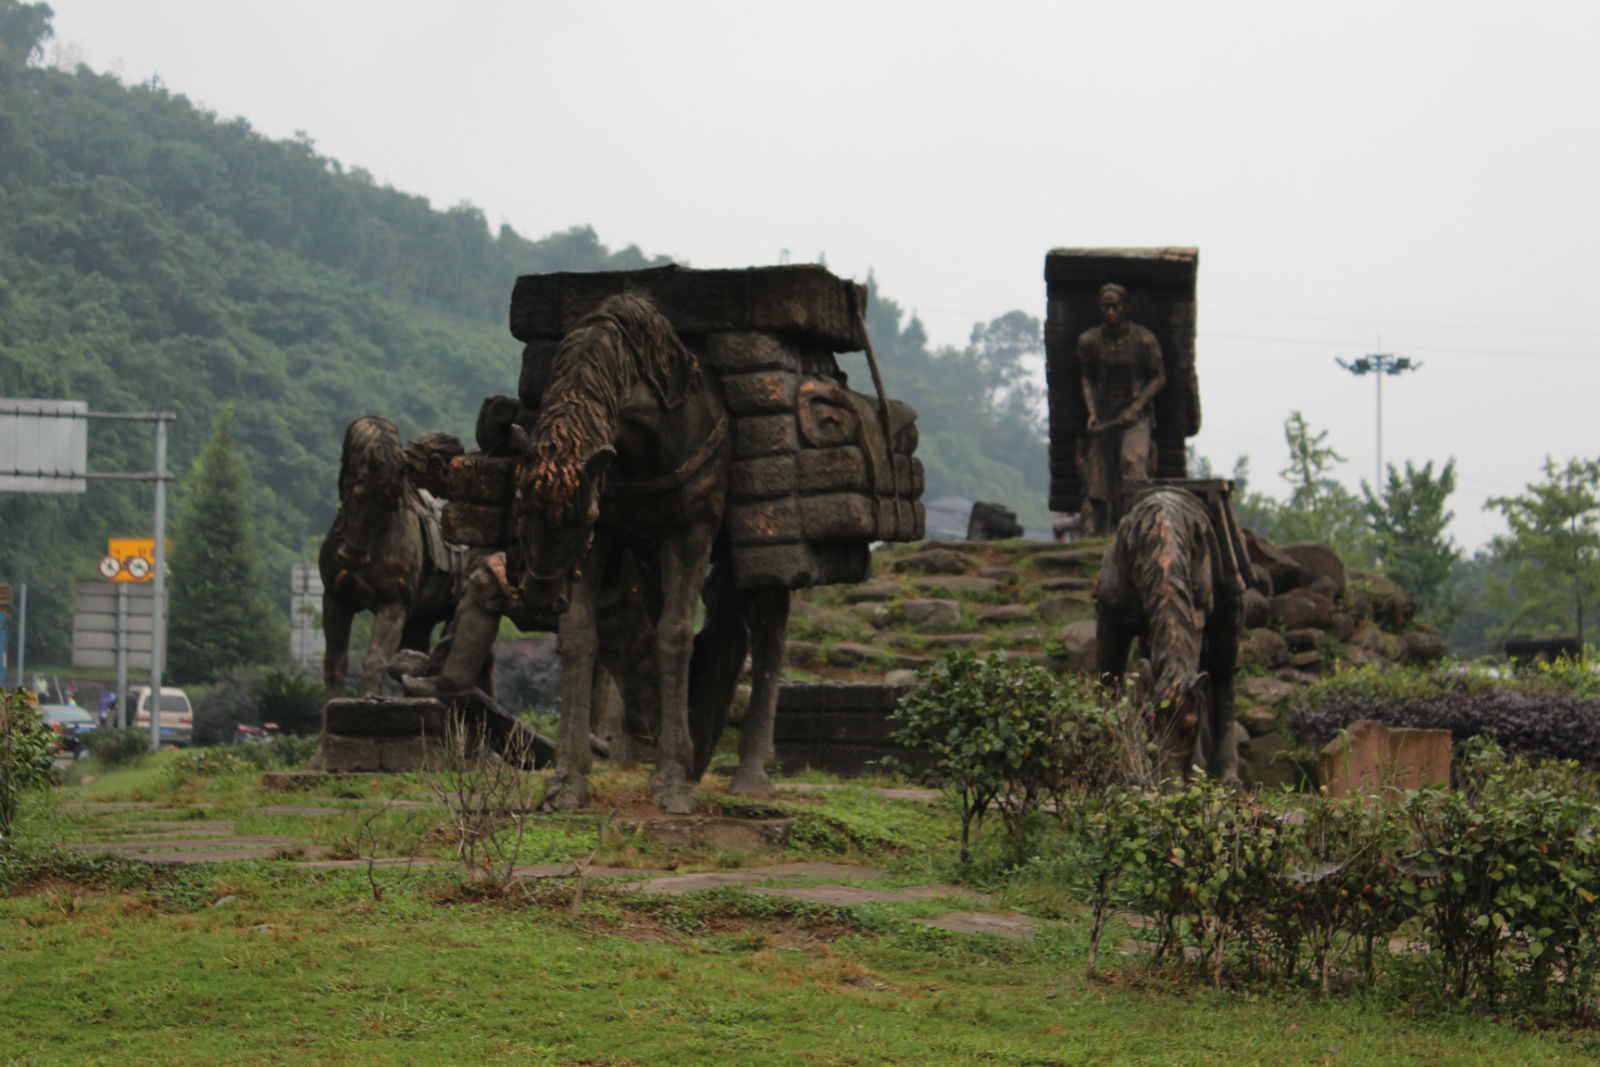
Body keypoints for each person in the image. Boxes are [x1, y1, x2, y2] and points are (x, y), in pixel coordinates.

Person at [1076, 282, 1166, 534]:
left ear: (1125, 308)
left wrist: (1137, 407)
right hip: (1106, 416)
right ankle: (1100, 533)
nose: (1110, 312)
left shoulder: (1144, 339)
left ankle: (1138, 526)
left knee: (1131, 459)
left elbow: (1159, 377)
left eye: (1115, 307)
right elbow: (1087, 378)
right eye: (1105, 307)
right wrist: (1092, 413)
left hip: (1136, 416)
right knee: (1097, 476)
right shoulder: (1089, 341)